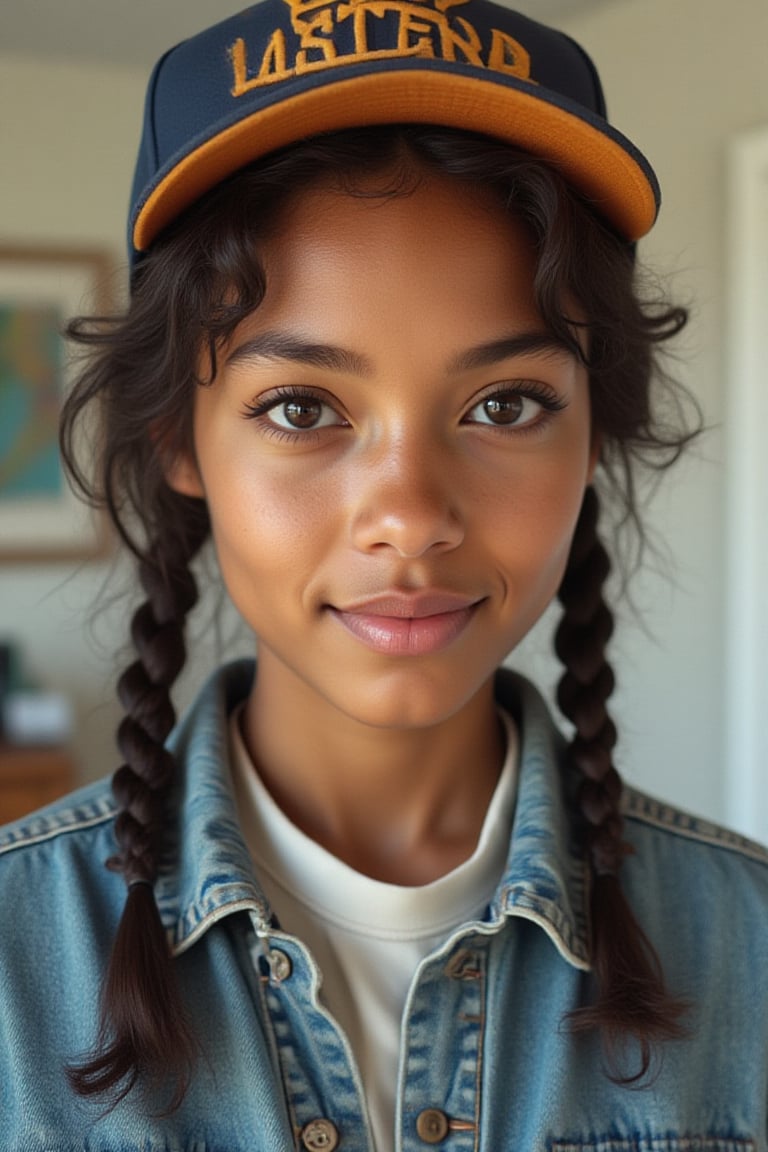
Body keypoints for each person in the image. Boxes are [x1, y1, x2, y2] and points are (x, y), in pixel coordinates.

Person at [1, 0, 767, 1146]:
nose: (410, 517)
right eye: (303, 408)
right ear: (177, 439)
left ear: (593, 427)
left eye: (504, 404)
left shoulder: (749, 945)